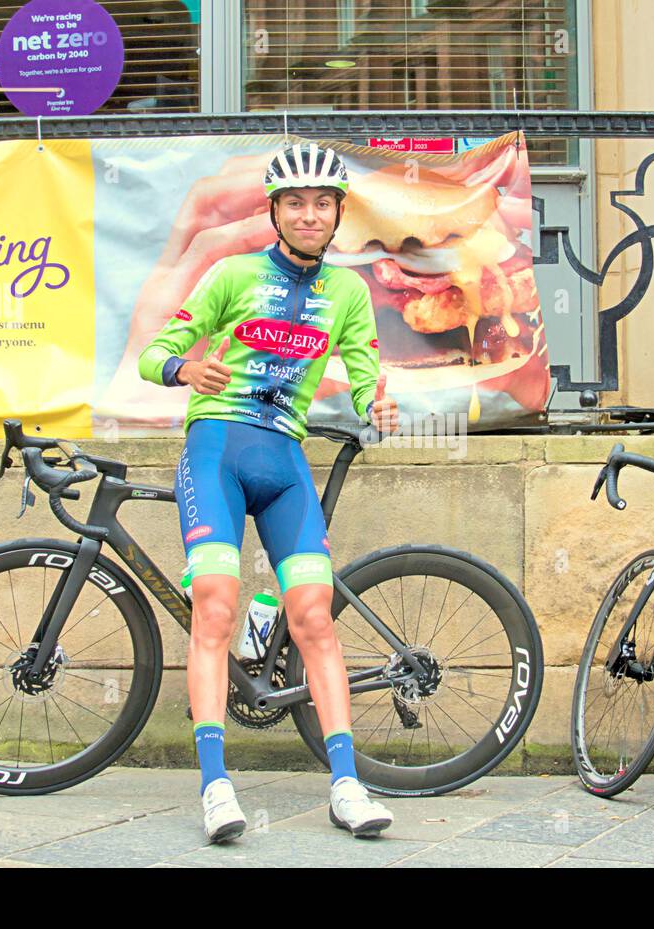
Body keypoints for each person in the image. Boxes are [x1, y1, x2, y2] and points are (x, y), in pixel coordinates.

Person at [137, 142, 401, 843]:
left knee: (314, 616)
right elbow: (153, 353)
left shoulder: (347, 293)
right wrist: (186, 370)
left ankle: (347, 784)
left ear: (339, 212)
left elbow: (367, 372)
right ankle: (217, 787)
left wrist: (379, 403)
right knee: (214, 606)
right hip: (217, 449)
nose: (309, 214)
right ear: (274, 211)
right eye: (295, 202)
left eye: (322, 203)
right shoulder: (232, 273)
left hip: (285, 459)